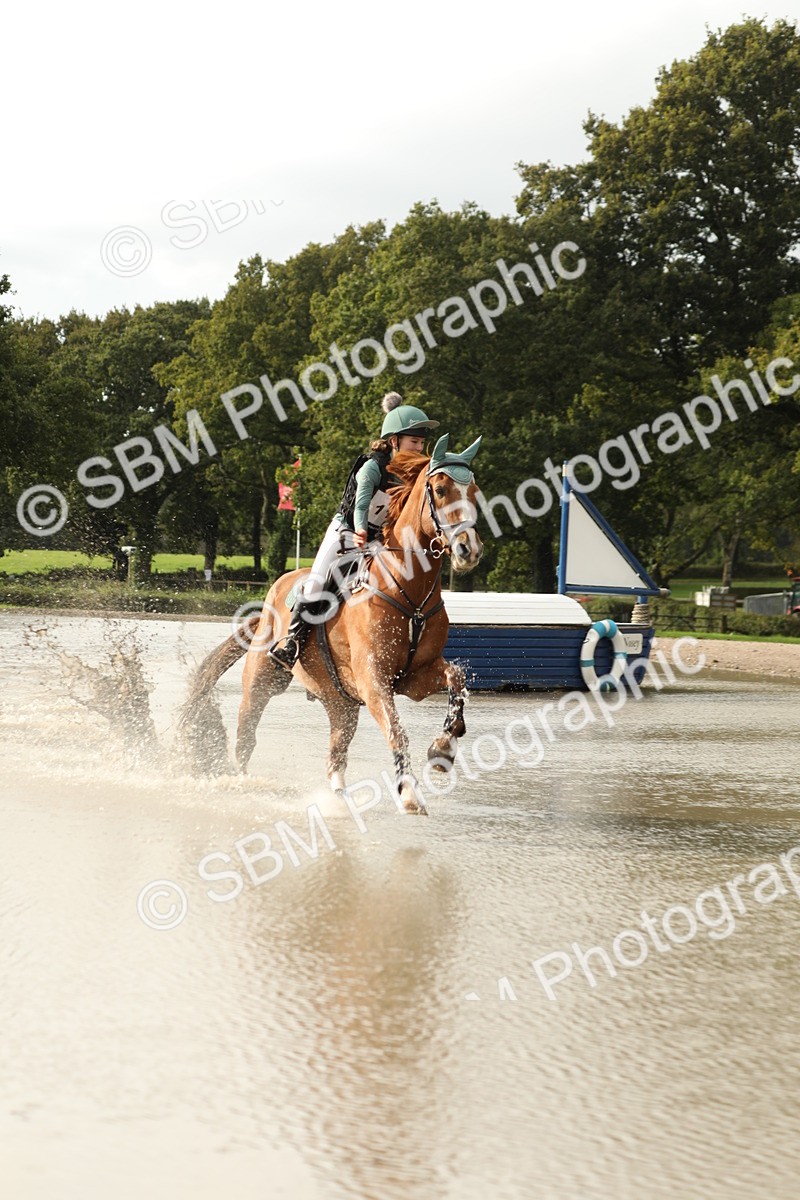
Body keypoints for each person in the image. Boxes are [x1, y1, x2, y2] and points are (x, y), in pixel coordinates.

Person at [269, 392, 439, 670]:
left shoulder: (415, 475)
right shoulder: (372, 468)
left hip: (379, 540)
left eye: (421, 442)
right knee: (317, 581)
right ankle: (292, 641)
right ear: (394, 441)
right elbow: (361, 505)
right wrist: (360, 529)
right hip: (346, 530)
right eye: (414, 442)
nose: (419, 448)